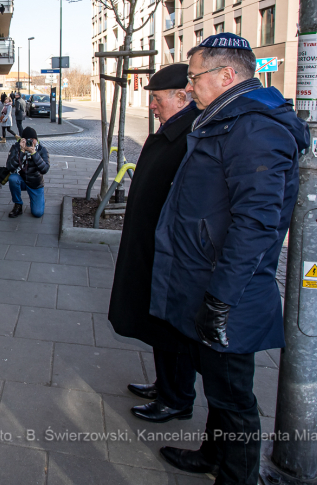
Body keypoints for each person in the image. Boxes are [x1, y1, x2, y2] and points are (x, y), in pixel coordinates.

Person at [150, 33, 309, 484]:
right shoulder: (225, 118)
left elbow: (256, 224)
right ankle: (213, 456)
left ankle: (239, 476)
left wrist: (220, 300)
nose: (190, 85)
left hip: (228, 289)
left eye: (195, 76)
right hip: (207, 278)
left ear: (226, 75)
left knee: (235, 397)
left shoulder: (254, 128)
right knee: (220, 389)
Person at [107, 64, 199, 424]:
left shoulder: (190, 134)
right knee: (158, 321)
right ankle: (166, 386)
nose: (152, 106)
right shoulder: (173, 129)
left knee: (171, 326)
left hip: (171, 253)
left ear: (182, 97)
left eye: (158, 99)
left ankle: (177, 398)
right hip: (154, 246)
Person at [6, 126, 50, 218]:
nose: (30, 142)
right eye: (27, 139)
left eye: (32, 139)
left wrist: (34, 153)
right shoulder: (16, 147)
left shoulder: (42, 150)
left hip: (35, 184)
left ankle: (35, 199)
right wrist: (21, 152)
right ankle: (18, 205)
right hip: (21, 180)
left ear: (36, 140)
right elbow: (9, 167)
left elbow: (45, 169)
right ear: (23, 140)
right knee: (13, 178)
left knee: (37, 213)